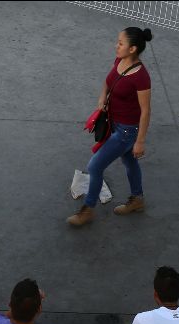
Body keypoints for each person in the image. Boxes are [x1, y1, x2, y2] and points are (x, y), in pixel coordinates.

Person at [68, 27, 153, 226]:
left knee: (94, 167)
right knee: (130, 162)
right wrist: (102, 97)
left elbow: (146, 111)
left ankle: (88, 210)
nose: (116, 46)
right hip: (114, 123)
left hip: (126, 131)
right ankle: (137, 199)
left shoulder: (141, 77)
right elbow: (108, 82)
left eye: (121, 43)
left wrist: (140, 141)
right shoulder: (119, 61)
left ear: (132, 49)